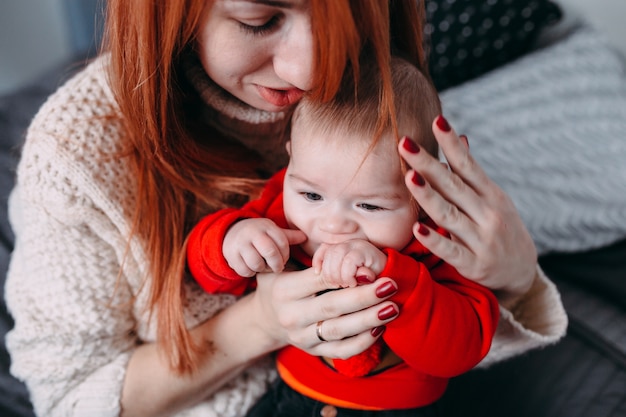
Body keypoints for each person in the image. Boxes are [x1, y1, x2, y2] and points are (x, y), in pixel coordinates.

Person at [3, 1, 567, 416]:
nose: (308, 73)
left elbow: (460, 331)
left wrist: (514, 274)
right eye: (258, 21)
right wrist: (259, 312)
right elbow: (71, 398)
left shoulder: (380, 81)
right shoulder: (75, 153)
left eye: (339, 18)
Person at [186, 57, 501, 415]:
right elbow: (205, 275)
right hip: (292, 395)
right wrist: (232, 240)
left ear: (425, 191)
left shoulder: (441, 241)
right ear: (290, 163)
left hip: (398, 407)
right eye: (312, 196)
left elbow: (463, 349)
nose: (333, 225)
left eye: (369, 206)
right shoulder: (280, 213)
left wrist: (394, 277)